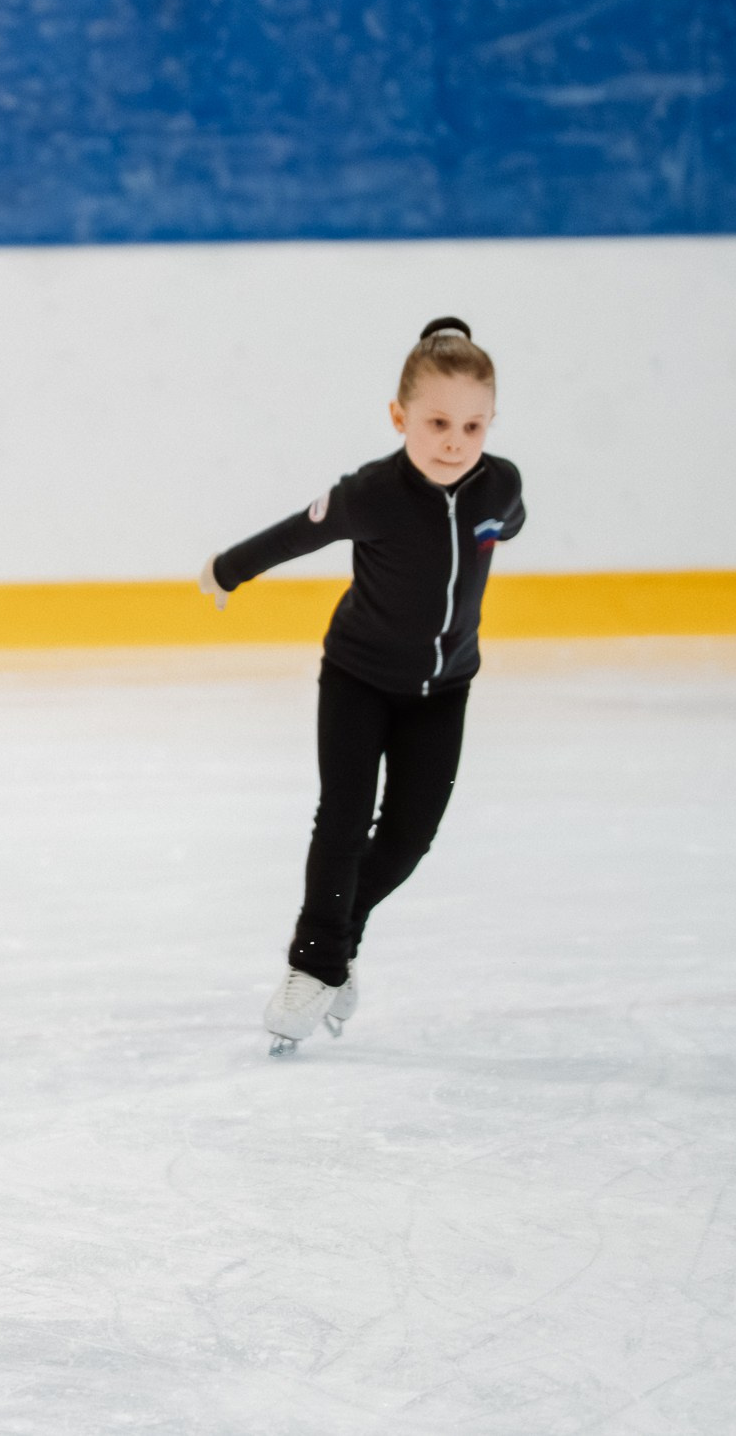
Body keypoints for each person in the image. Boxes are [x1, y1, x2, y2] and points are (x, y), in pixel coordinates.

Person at [198, 320, 526, 1057]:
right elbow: (297, 532)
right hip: (357, 677)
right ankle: (313, 965)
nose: (454, 440)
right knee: (342, 820)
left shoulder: (501, 486)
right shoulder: (373, 493)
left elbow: (508, 523)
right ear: (399, 417)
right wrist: (227, 568)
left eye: (473, 425)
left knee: (409, 838)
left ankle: (339, 934)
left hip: (444, 690)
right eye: (437, 422)